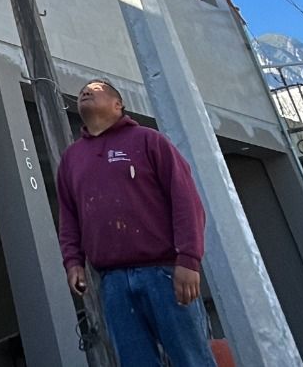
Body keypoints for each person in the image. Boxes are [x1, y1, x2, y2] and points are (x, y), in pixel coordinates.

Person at [57, 79, 216, 367]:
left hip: (165, 273)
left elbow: (185, 200)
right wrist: (73, 261)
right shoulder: (71, 159)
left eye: (96, 89)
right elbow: (69, 216)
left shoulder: (149, 140)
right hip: (112, 282)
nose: (86, 91)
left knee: (191, 360)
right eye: (83, 90)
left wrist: (189, 259)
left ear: (118, 105)